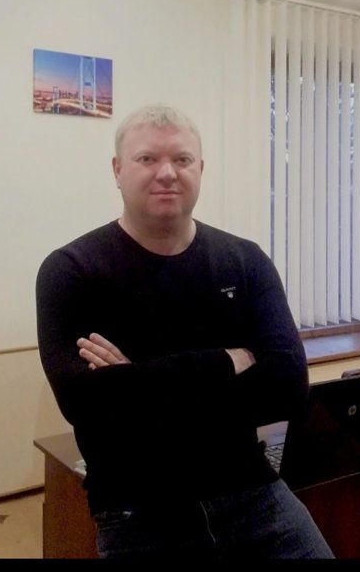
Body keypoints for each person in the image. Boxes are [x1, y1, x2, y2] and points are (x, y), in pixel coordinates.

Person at [35, 104, 335, 560]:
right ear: (117, 170)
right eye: (147, 159)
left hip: (251, 489)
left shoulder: (245, 261)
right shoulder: (71, 271)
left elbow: (288, 388)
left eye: (181, 159)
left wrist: (135, 381)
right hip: (138, 508)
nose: (167, 173)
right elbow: (87, 407)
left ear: (200, 169)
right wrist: (226, 361)